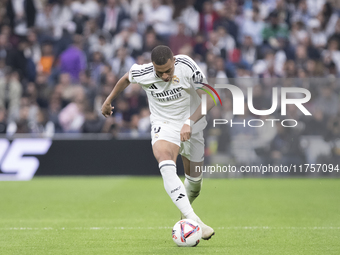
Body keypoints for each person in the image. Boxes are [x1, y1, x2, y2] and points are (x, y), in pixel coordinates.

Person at [101, 45, 215, 240]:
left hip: (192, 122)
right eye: (159, 72)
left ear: (174, 62)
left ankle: (185, 217)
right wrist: (108, 100)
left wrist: (189, 123)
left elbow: (211, 98)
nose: (164, 76)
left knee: (194, 184)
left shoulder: (186, 65)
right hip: (164, 124)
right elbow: (126, 79)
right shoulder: (144, 72)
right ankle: (194, 220)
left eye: (168, 71)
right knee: (164, 159)